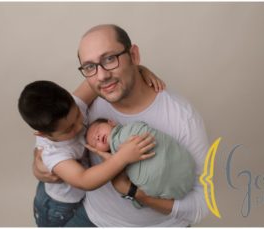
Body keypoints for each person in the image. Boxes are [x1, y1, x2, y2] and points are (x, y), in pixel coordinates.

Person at [31, 24, 211, 226]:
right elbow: (51, 127)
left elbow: (202, 204)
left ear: (134, 55)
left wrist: (134, 193)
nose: (102, 76)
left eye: (110, 59)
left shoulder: (182, 118)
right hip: (91, 217)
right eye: (90, 66)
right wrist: (39, 163)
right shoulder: (90, 98)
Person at [18, 80, 156, 226]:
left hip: (84, 199)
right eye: (69, 129)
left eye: (78, 115)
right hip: (58, 207)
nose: (79, 126)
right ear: (43, 135)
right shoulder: (53, 153)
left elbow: (98, 81)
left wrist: (142, 71)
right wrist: (122, 158)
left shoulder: (71, 107)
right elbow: (84, 180)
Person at [86, 118, 197, 205]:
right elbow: (125, 181)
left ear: (111, 122)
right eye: (94, 143)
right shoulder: (114, 162)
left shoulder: (130, 129)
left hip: (175, 161)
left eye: (98, 130)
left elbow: (145, 130)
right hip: (170, 187)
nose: (97, 137)